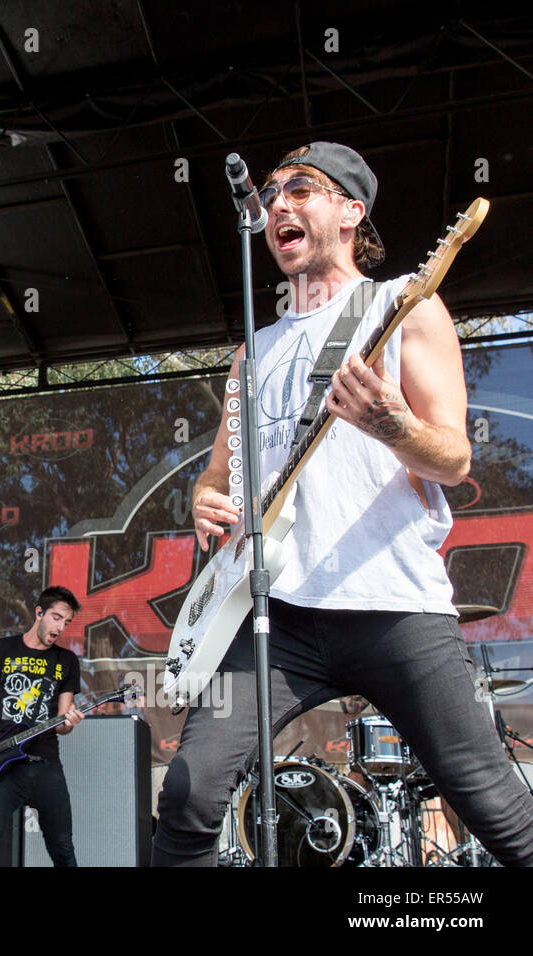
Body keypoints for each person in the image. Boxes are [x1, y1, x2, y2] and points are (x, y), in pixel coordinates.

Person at [153, 141, 533, 866]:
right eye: (270, 194)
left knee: (493, 801)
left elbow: (454, 458)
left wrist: (392, 425)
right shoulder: (252, 352)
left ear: (353, 211)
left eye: (302, 188)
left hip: (393, 606)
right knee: (191, 793)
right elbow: (217, 475)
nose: (277, 205)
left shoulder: (405, 308)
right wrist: (204, 500)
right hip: (280, 614)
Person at [0, 587, 83, 866]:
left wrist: (69, 722)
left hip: (46, 763)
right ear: (38, 613)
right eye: (56, 617)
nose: (60, 627)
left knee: (63, 848)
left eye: (66, 622)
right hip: (2, 764)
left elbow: (61, 724)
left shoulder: (67, 660)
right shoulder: (2, 649)